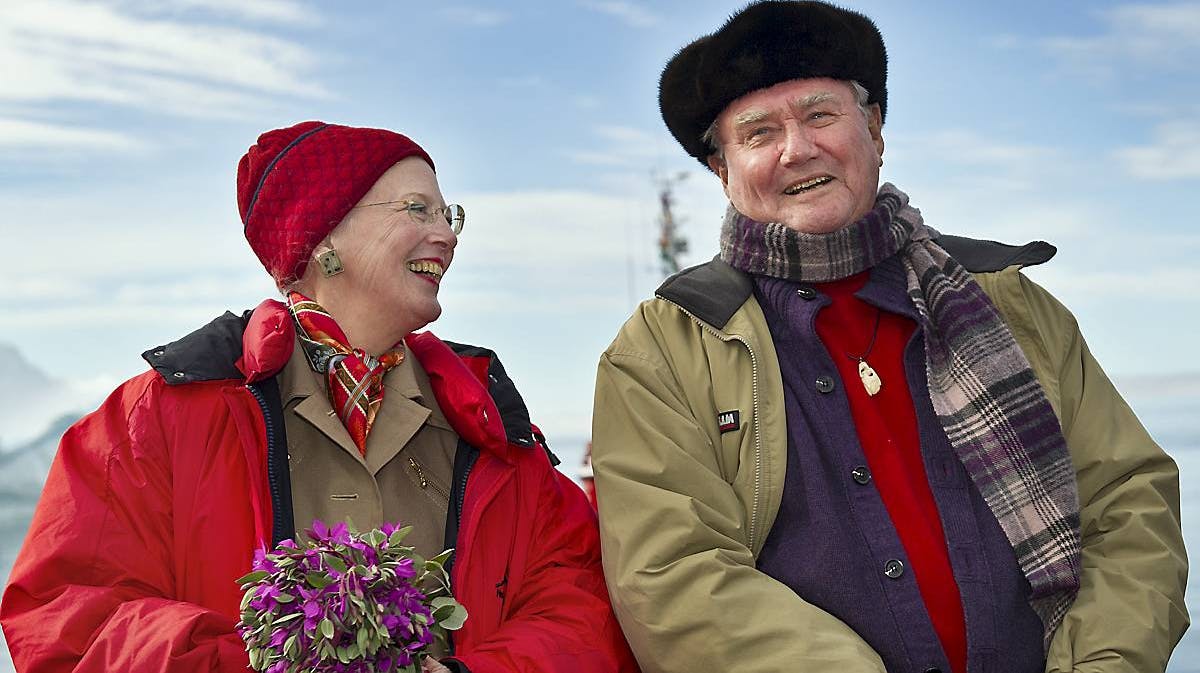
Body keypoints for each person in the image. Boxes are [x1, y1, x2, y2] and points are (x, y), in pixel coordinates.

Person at [591, 3, 1188, 673]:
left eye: (820, 115)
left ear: (874, 129)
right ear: (722, 170)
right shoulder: (662, 351)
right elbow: (674, 575)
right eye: (758, 133)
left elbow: (1129, 504)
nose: (797, 148)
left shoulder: (1012, 304)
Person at [2, 121, 637, 673]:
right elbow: (69, 618)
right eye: (416, 209)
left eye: (449, 214)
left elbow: (577, 599)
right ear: (323, 237)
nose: (445, 233)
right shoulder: (159, 417)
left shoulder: (492, 429)